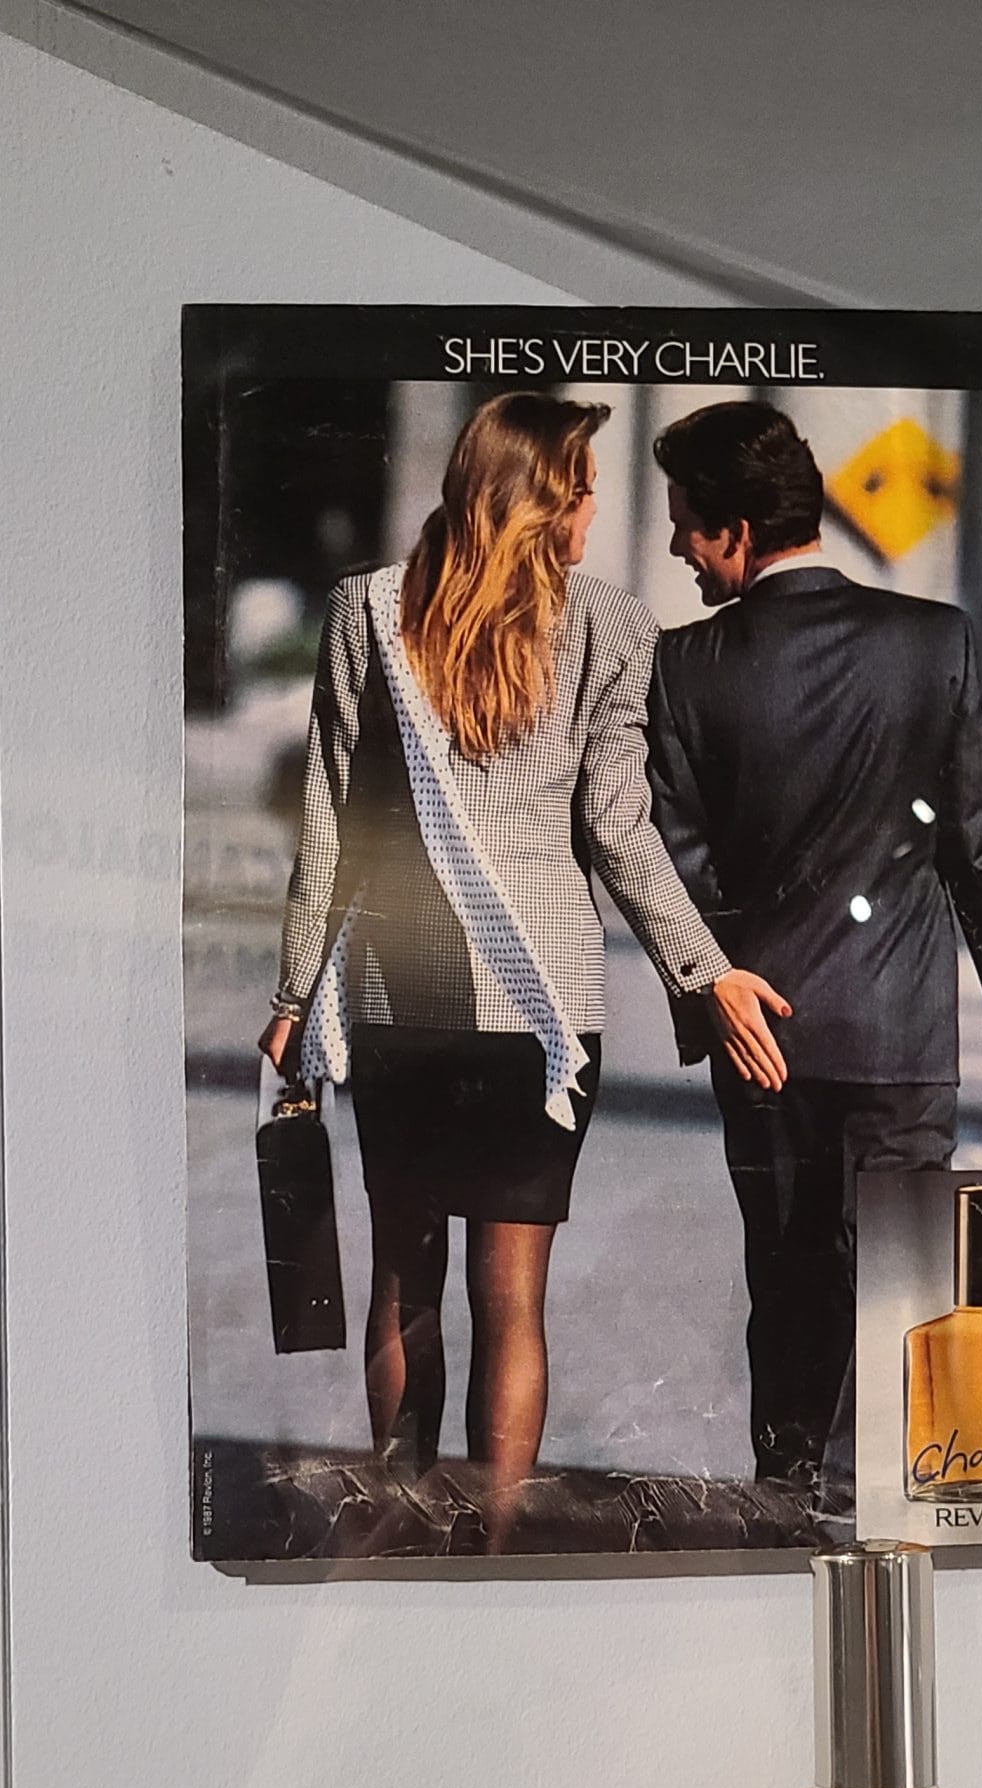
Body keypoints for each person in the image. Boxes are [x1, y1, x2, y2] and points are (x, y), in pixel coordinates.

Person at [260, 392, 788, 1541]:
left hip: (399, 997)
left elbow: (331, 824)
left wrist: (295, 993)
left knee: (404, 1281)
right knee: (514, 1305)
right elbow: (620, 830)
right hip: (542, 1019)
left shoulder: (368, 611)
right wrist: (705, 970)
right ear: (542, 501)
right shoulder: (612, 627)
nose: (597, 510)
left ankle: (401, 1527)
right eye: (585, 490)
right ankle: (495, 1543)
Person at [645, 400, 982, 1518]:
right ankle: (875, 1497)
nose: (677, 546)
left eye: (687, 523)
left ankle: (788, 1499)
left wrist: (714, 996)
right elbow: (981, 845)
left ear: (739, 531)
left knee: (786, 1288)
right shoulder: (937, 642)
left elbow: (679, 863)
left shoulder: (684, 666)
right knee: (902, 1281)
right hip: (898, 1037)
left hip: (760, 1041)